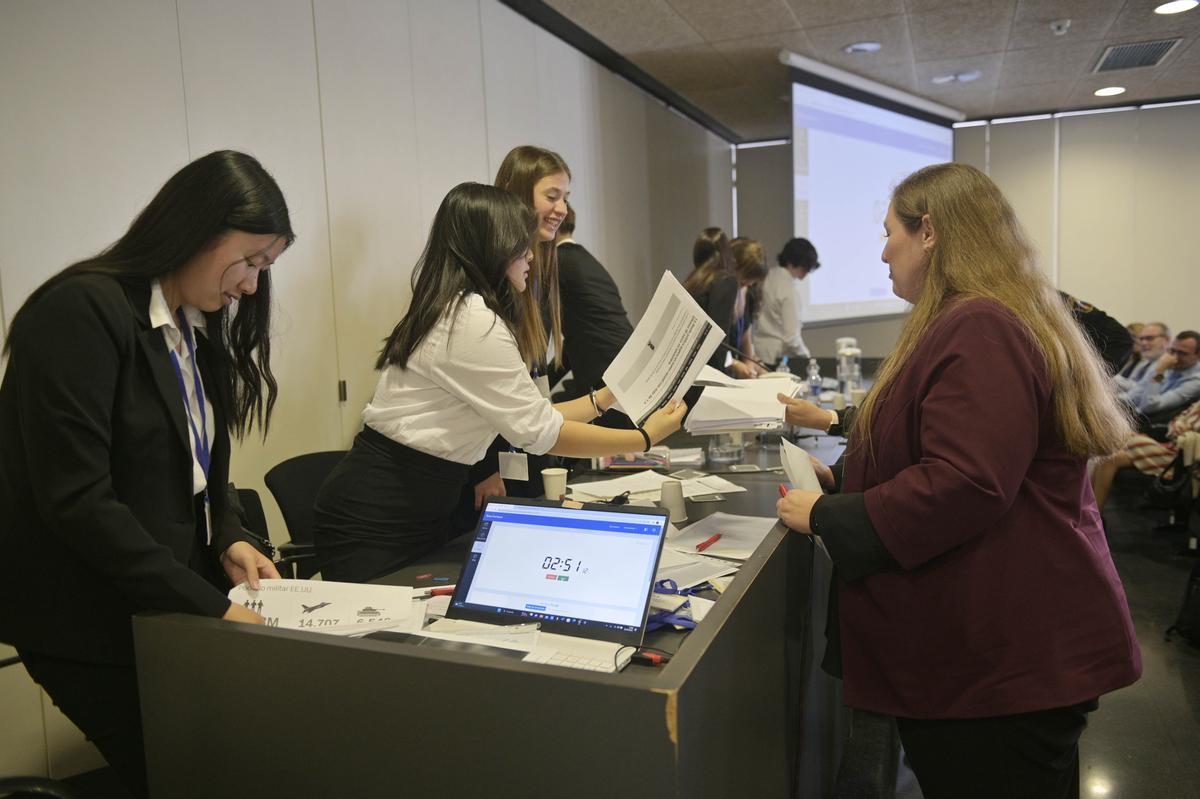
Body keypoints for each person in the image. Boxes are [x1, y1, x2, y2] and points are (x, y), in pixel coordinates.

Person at [775, 162, 1141, 799]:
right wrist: (847, 483)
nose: (883, 250)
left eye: (890, 232)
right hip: (1003, 645)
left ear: (930, 232)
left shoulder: (979, 324)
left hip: (1002, 656)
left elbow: (967, 481)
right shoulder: (984, 317)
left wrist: (830, 517)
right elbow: (952, 453)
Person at [0, 150, 292, 797]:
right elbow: (79, 501)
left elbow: (205, 465)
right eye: (249, 261)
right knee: (188, 775)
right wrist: (210, 606)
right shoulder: (81, 312)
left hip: (160, 602)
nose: (250, 286)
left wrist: (229, 534)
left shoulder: (191, 325)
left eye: (263, 269)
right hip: (86, 614)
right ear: (196, 229)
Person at [312, 183, 685, 583]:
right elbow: (542, 432)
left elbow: (530, 415)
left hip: (410, 503)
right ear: (491, 247)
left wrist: (605, 399)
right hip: (381, 516)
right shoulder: (472, 321)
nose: (530, 256)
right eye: (520, 245)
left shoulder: (458, 308)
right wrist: (643, 439)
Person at [554, 203, 633, 400]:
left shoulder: (557, 262)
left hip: (602, 376)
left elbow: (542, 331)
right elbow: (582, 333)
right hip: (627, 364)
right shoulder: (586, 259)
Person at [683, 227, 764, 378]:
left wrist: (750, 365)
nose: (746, 286)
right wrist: (734, 363)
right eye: (743, 282)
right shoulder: (723, 284)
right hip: (712, 375)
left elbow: (746, 340)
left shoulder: (695, 281)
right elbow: (716, 350)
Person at [1091, 400, 1200, 509]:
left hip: (1184, 460)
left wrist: (1186, 432)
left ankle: (1092, 518)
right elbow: (1175, 422)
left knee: (1120, 446)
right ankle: (1087, 509)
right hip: (1171, 447)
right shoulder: (1197, 404)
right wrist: (1180, 428)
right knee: (1109, 457)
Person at [753, 237, 818, 367]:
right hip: (776, 358)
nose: (807, 273)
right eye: (806, 267)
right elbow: (791, 338)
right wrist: (809, 359)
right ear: (795, 262)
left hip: (757, 353)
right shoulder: (789, 290)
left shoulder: (767, 276)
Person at [1124, 330, 1200, 424]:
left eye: (1182, 353)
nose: (1174, 357)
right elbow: (1134, 396)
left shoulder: (1196, 381)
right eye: (1172, 351)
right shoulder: (1168, 366)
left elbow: (1149, 407)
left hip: (1153, 425)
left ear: (1198, 355)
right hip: (1134, 417)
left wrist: (1159, 372)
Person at [1116, 321, 1169, 390]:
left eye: (1149, 338)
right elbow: (1137, 392)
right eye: (1141, 339)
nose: (1143, 343)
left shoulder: (1164, 363)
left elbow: (1142, 391)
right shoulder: (1135, 359)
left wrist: (1111, 376)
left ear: (1166, 340)